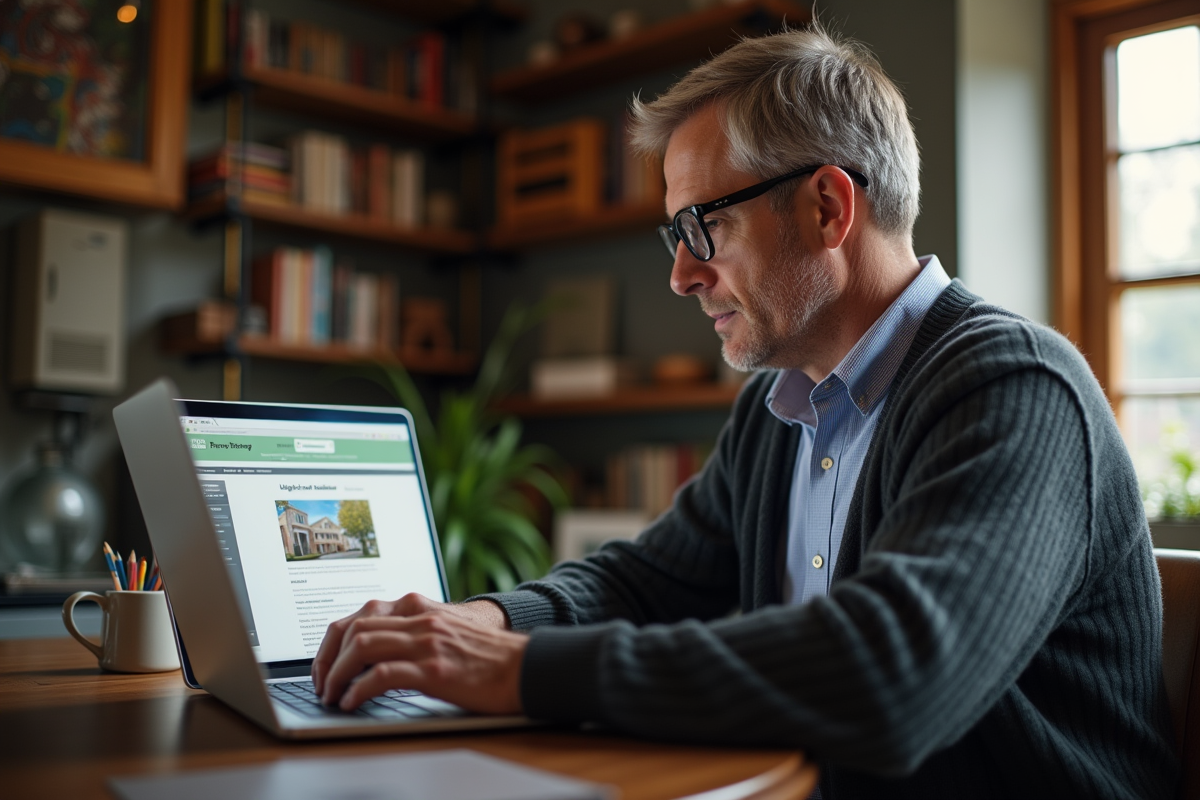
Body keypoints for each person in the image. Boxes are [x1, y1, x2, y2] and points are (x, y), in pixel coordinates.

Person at [312, 24, 1178, 799]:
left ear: (828, 207)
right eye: (675, 237)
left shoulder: (1014, 388)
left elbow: (892, 677)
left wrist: (522, 670)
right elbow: (647, 581)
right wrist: (484, 623)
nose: (683, 275)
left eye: (703, 228)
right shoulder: (777, 407)